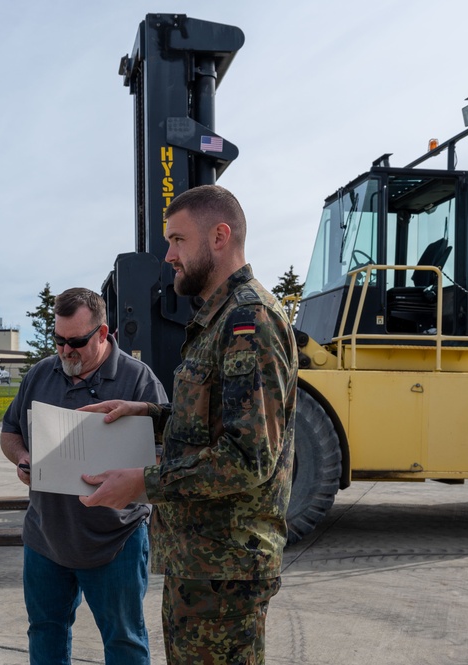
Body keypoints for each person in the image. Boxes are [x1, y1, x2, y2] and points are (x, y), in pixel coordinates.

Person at [79, 184, 299, 664]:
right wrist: (149, 416)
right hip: (202, 562)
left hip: (226, 567)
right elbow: (212, 423)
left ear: (219, 237)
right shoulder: (217, 320)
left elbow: (248, 459)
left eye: (178, 240)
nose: (168, 255)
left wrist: (143, 483)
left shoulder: (249, 320)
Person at [0, 287, 167, 665]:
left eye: (75, 341)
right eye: (58, 340)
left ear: (104, 333)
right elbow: (9, 432)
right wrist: (23, 457)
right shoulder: (41, 375)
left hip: (114, 543)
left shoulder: (139, 382)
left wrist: (134, 477)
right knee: (45, 631)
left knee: (125, 642)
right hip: (45, 540)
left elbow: (163, 458)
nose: (64, 350)